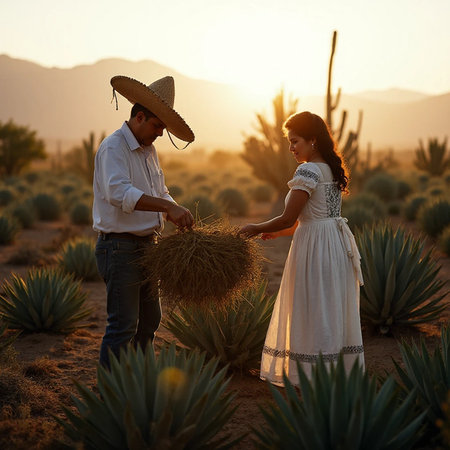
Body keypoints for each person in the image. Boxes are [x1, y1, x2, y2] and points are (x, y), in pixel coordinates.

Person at [240, 111, 364, 385]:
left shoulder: (307, 170)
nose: (291, 147)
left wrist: (256, 227)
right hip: (335, 244)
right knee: (329, 306)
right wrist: (279, 232)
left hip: (316, 248)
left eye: (295, 141)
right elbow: (308, 219)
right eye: (289, 141)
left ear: (313, 141)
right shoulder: (330, 169)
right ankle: (333, 373)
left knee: (312, 307)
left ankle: (311, 376)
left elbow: (289, 217)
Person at [93, 75, 195, 368]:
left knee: (150, 321)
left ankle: (136, 383)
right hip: (120, 248)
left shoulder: (148, 151)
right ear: (139, 117)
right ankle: (110, 396)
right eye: (157, 126)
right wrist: (166, 206)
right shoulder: (114, 147)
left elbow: (159, 192)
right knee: (122, 325)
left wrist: (175, 209)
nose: (161, 134)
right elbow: (118, 193)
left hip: (148, 248)